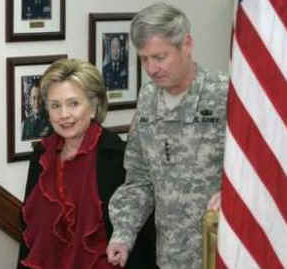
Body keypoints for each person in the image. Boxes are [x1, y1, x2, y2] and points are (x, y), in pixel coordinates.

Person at [106, 3, 228, 269]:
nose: (151, 68)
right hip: (170, 257)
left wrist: (232, 194)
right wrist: (123, 235)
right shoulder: (148, 99)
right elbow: (139, 179)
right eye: (144, 59)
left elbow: (261, 171)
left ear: (186, 45)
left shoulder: (226, 95)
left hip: (224, 252)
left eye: (160, 57)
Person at [16, 58, 157, 269]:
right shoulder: (41, 156)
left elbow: (141, 240)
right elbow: (30, 236)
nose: (64, 115)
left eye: (73, 103)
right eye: (55, 105)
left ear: (93, 107)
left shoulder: (118, 156)